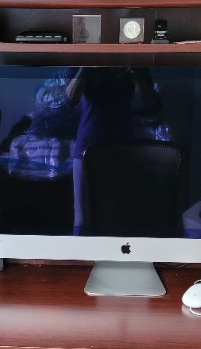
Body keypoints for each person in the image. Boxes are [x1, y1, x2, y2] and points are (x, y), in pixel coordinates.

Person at [66, 66, 161, 234]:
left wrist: (135, 72)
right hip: (87, 147)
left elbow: (152, 106)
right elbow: (70, 99)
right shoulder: (82, 62)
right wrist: (87, 64)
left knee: (117, 213)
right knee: (82, 218)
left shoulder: (134, 63)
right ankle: (80, 259)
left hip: (123, 148)